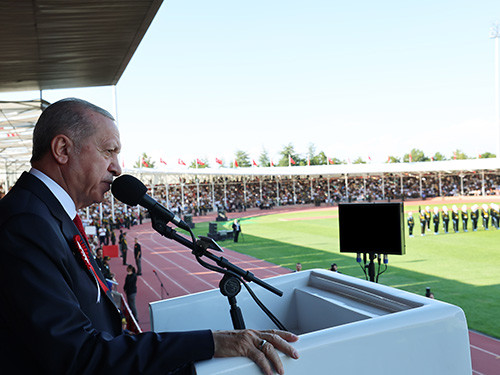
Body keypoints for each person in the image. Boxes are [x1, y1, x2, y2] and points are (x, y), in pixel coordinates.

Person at [0, 98, 299, 375]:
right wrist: (211, 343)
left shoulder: (45, 215)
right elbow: (76, 355)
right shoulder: (26, 223)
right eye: (109, 151)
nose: (117, 168)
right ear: (63, 149)